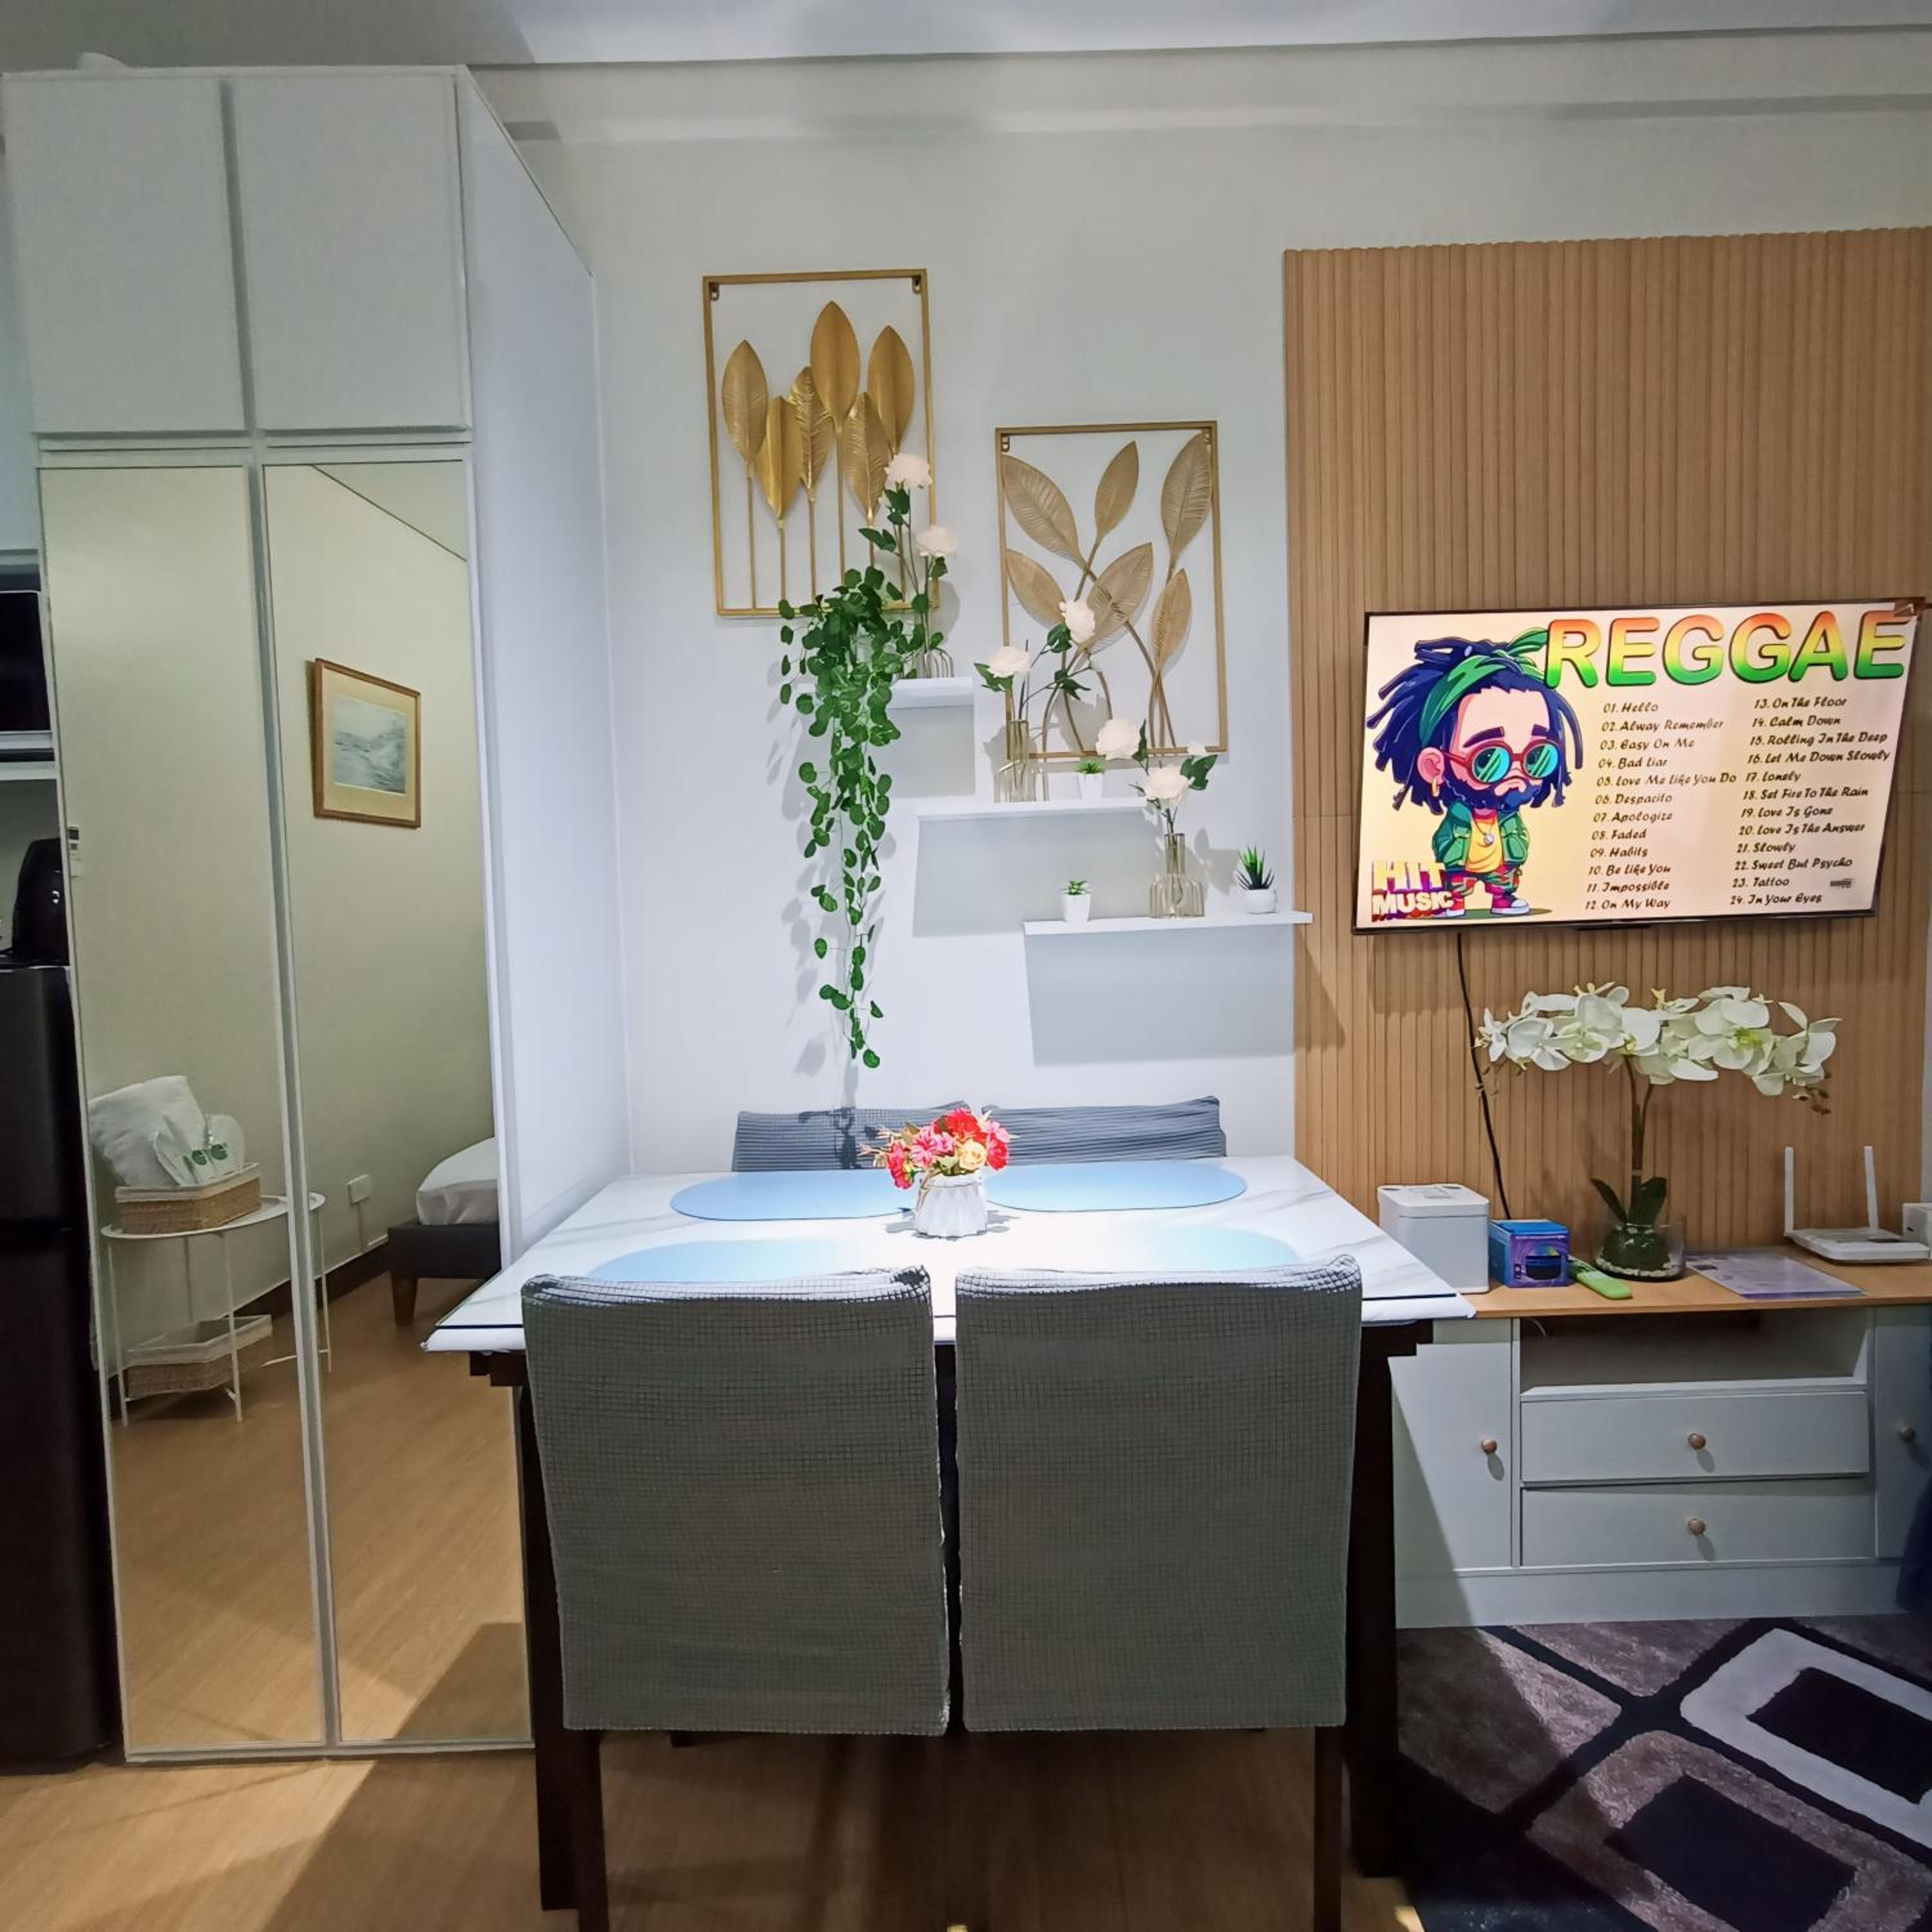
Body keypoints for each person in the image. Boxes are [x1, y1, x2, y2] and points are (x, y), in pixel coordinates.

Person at [1366, 632, 1584, 918]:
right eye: (1489, 760)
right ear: (1435, 766)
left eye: (1537, 757)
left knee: (1503, 878)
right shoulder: (1457, 819)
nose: (1517, 772)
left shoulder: (1509, 819)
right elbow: (1444, 842)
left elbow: (1518, 840)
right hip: (1461, 866)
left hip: (1501, 865)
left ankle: (1502, 899)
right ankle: (1455, 901)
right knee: (1457, 881)